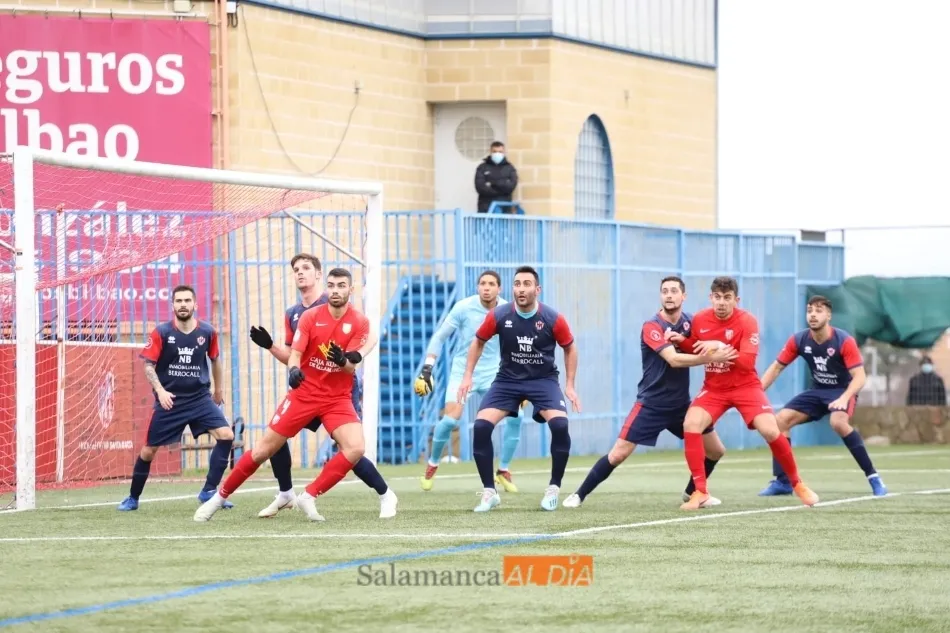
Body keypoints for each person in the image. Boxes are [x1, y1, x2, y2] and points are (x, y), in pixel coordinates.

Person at [195, 268, 388, 522]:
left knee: (355, 448)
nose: (335, 290)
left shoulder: (359, 322)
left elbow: (352, 365)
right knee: (265, 448)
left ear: (350, 290)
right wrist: (294, 369)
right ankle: (218, 498)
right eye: (332, 285)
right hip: (305, 394)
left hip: (337, 398)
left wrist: (343, 360)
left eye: (341, 286)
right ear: (326, 287)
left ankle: (310, 495)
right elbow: (294, 353)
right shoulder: (307, 316)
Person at [563, 276, 737, 509]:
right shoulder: (652, 326)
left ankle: (692, 492)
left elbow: (710, 339)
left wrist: (717, 344)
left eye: (674, 291)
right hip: (651, 404)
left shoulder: (691, 322)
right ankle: (579, 494)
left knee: (716, 451)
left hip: (681, 406)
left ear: (683, 296)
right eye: (665, 291)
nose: (669, 295)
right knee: (618, 455)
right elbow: (674, 360)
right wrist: (709, 356)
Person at [248, 253, 396, 519]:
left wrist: (351, 359)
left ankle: (386, 494)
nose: (300, 273)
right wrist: (270, 346)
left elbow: (364, 342)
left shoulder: (336, 305)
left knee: (349, 449)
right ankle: (285, 494)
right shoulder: (293, 314)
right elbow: (295, 359)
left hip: (338, 391)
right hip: (308, 389)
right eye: (296, 269)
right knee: (276, 436)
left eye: (306, 268)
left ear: (319, 275)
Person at [668, 276, 819, 510]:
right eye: (717, 297)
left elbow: (747, 362)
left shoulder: (748, 321)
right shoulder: (699, 319)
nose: (721, 303)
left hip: (746, 386)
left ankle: (798, 484)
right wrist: (683, 341)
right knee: (691, 424)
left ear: (736, 300)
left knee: (770, 429)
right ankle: (700, 492)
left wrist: (718, 346)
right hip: (714, 388)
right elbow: (697, 347)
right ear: (711, 298)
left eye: (727, 298)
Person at [458, 265, 580, 512]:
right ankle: (490, 492)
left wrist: (569, 385)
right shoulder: (499, 315)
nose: (521, 289)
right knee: (481, 426)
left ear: (537, 289)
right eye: (517, 284)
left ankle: (554, 488)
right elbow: (478, 342)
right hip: (507, 381)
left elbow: (570, 347)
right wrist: (467, 376)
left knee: (560, 425)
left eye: (526, 284)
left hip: (543, 380)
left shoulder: (553, 318)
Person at [117, 285, 235, 511]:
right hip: (171, 400)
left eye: (187, 300)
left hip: (200, 398)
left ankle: (209, 491)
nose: (183, 304)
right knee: (149, 450)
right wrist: (160, 391)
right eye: (178, 301)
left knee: (226, 435)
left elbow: (216, 360)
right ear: (172, 305)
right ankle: (133, 498)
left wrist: (218, 390)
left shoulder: (207, 332)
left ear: (195, 305)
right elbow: (148, 365)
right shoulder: (162, 332)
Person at [757, 295, 887, 497]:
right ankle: (783, 481)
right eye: (810, 310)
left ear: (828, 315)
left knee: (838, 423)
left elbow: (860, 377)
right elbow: (776, 368)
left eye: (818, 310)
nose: (813, 315)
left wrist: (844, 398)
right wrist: (756, 393)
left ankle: (874, 477)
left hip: (842, 391)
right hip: (817, 391)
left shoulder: (844, 341)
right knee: (780, 421)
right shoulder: (799, 339)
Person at [414, 270, 524, 492]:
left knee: (517, 417)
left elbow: (518, 345)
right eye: (482, 283)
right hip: (463, 371)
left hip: (495, 373)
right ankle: (433, 462)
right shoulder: (464, 307)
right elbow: (439, 337)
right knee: (450, 420)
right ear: (477, 287)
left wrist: (521, 381)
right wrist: (427, 368)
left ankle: (503, 470)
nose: (486, 287)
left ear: (499, 289)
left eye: (491, 284)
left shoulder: (509, 311)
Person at [474, 141, 518, 213]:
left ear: (504, 153)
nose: (497, 154)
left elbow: (511, 186)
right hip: (486, 209)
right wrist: (502, 187)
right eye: (494, 151)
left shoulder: (510, 168)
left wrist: (492, 184)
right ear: (490, 152)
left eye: (500, 152)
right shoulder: (482, 168)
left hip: (504, 209)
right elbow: (480, 187)